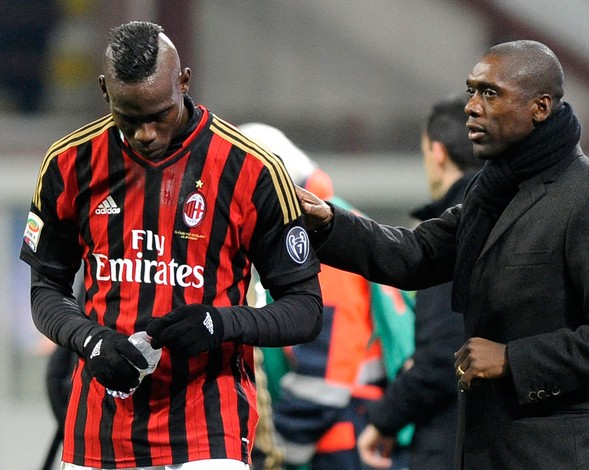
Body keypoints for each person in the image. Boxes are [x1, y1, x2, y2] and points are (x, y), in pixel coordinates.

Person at [296, 40, 589, 469]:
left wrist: (512, 358)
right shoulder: (493, 192)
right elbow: (416, 254)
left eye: (490, 93)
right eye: (471, 90)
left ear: (539, 107)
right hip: (500, 450)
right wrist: (328, 223)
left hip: (578, 455)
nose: (471, 106)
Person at [19, 21, 323, 470]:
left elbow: (305, 308)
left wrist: (219, 323)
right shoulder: (68, 163)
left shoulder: (253, 169)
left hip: (209, 423)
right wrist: (93, 341)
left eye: (159, 114)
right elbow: (46, 290)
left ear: (184, 81)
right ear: (105, 91)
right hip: (101, 425)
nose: (145, 133)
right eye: (130, 117)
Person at [238, 122, 413, 470]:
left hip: (342, 443)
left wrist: (282, 450)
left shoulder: (314, 236)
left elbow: (325, 373)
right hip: (348, 432)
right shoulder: (332, 222)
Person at [357, 95, 481, 470]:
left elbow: (444, 357)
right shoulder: (511, 214)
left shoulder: (456, 230)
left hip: (452, 444)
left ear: (438, 152)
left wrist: (384, 419)